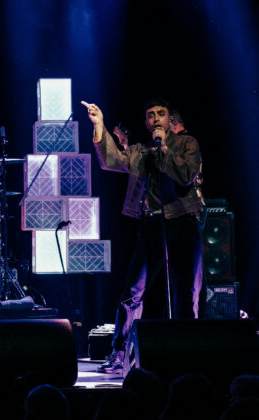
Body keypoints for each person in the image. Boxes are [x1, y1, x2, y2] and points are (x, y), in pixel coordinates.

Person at [81, 98, 204, 374]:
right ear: (146, 122)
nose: (156, 119)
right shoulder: (141, 151)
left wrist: (164, 149)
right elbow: (112, 160)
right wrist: (100, 125)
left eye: (161, 114)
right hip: (151, 224)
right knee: (133, 292)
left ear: (169, 119)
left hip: (182, 222)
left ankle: (189, 353)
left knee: (186, 292)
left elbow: (185, 175)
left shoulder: (187, 144)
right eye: (151, 115)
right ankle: (120, 354)